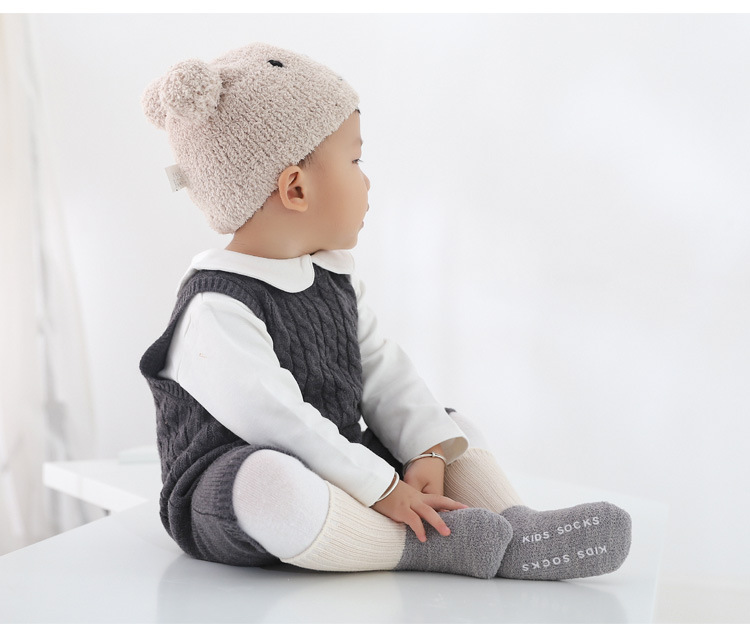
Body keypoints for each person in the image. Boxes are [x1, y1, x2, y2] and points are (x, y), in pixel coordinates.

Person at [139, 42, 631, 580]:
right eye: (355, 161)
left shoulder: (331, 277)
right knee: (268, 483)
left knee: (445, 425)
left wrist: (426, 453)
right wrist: (384, 488)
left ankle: (513, 530)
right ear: (295, 188)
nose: (367, 179)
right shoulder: (215, 306)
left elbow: (382, 370)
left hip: (341, 462)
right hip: (238, 489)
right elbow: (280, 423)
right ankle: (420, 546)